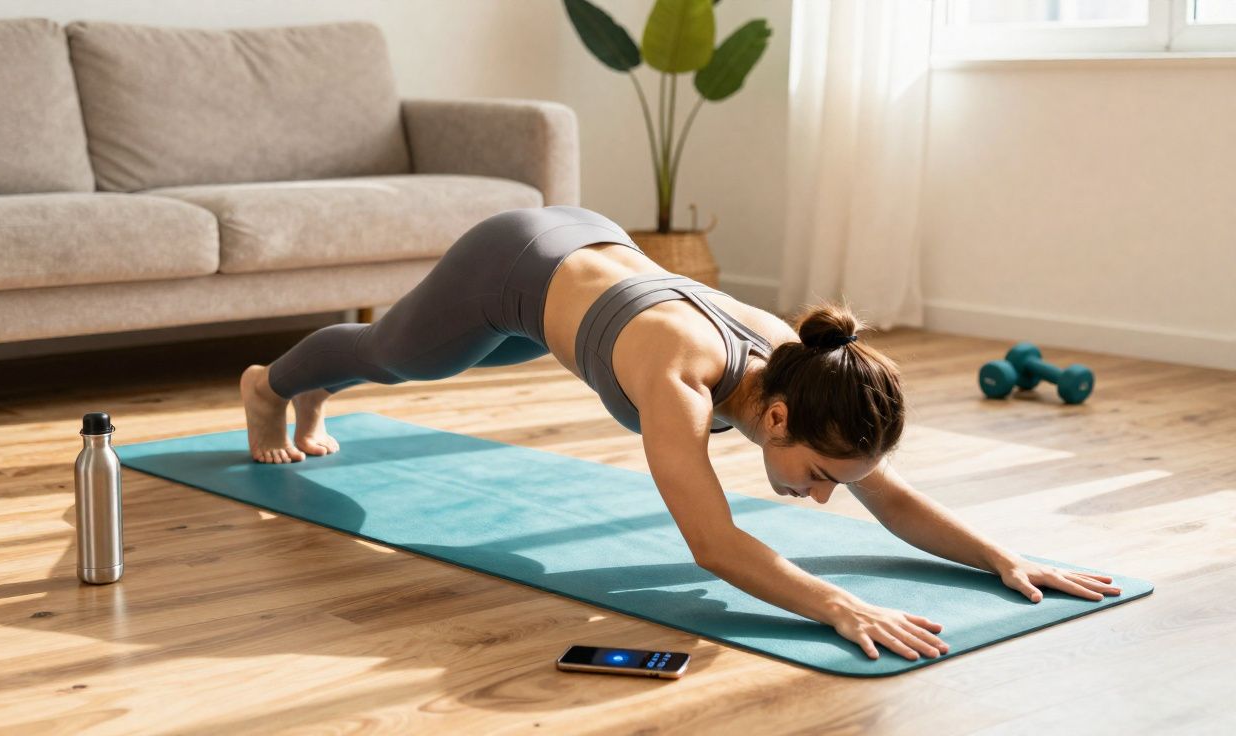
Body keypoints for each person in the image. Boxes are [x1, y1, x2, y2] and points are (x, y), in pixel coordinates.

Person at [239, 205, 1121, 661]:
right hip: (508, 264)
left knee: (450, 357)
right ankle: (274, 385)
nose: (822, 496)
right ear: (773, 419)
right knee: (403, 356)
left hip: (588, 252)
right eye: (817, 474)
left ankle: (318, 395)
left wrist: (1003, 557)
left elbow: (886, 495)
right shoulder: (680, 379)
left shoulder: (799, 371)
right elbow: (712, 543)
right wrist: (838, 603)